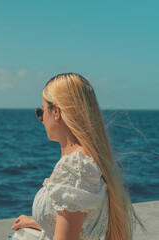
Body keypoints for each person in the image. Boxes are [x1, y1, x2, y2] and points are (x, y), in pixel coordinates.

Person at [10, 73, 145, 240]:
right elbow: (79, 226)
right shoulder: (86, 160)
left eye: (41, 111)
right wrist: (36, 222)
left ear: (56, 112)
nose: (41, 119)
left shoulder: (75, 167)